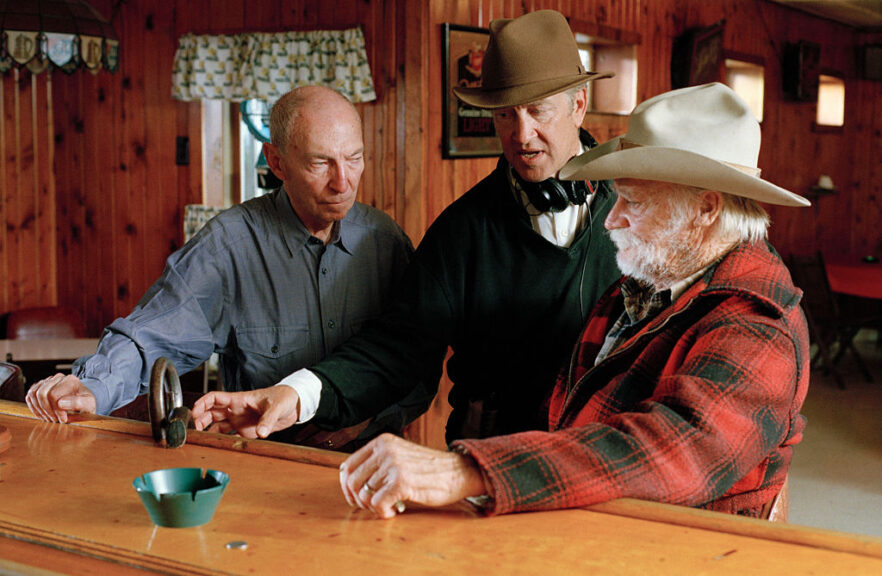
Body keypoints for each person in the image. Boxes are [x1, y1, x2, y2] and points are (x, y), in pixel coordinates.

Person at [336, 82, 812, 519]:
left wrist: (468, 472)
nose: (611, 220)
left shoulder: (758, 322)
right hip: (600, 527)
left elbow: (670, 450)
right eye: (617, 198)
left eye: (635, 202)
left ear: (706, 208)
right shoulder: (649, 280)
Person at [190, 10, 621, 445]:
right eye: (506, 115)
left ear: (578, 105)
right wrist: (294, 394)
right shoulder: (461, 231)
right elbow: (395, 348)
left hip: (608, 454)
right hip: (489, 459)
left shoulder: (637, 210)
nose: (522, 133)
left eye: (537, 111)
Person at [25, 85, 416, 449]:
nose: (343, 182)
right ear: (276, 162)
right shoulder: (228, 246)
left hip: (378, 458)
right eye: (320, 163)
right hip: (269, 465)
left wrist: (367, 421)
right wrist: (94, 387)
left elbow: (419, 355)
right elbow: (152, 336)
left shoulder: (385, 241)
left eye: (355, 158)